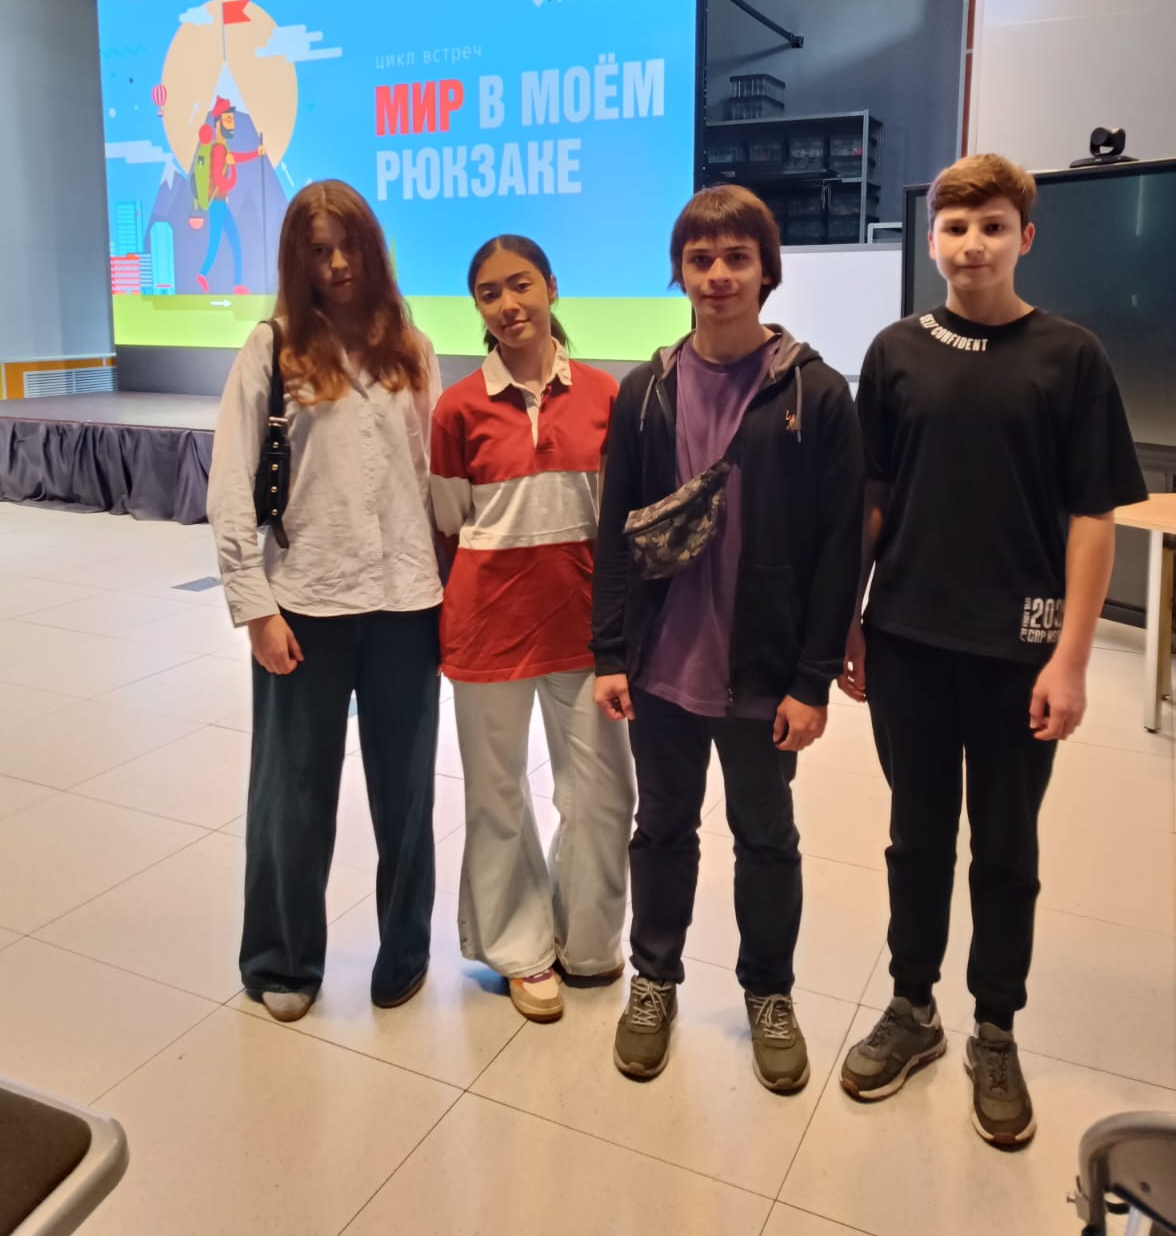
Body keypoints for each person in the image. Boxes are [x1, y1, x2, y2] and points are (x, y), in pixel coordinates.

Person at [838, 153, 1148, 1147]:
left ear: (1025, 237)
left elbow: (1093, 516)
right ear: (933, 239)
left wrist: (1071, 659)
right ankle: (912, 1007)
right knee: (917, 837)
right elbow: (872, 499)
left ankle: (996, 1027)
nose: (973, 245)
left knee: (1007, 847)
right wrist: (847, 618)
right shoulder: (895, 352)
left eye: (993, 227)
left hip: (1020, 649)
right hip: (908, 640)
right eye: (956, 227)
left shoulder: (1071, 356)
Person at [591, 185, 863, 1090]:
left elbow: (838, 550)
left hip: (763, 672)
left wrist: (812, 680)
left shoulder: (816, 393)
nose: (717, 275)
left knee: (766, 836)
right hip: (662, 665)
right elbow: (615, 529)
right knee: (662, 828)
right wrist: (610, 653)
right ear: (680, 272)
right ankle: (653, 980)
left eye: (736, 258)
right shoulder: (644, 394)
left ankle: (769, 993)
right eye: (700, 258)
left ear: (766, 271)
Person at [207, 179, 443, 1023]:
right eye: (318, 251)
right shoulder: (270, 348)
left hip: (407, 600)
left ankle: (405, 949)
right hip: (304, 601)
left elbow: (434, 479)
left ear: (373, 250)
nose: (337, 264)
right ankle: (282, 958)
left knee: (406, 795)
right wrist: (255, 608)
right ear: (297, 261)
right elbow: (229, 488)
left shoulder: (411, 349)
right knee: (292, 792)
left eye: (349, 246)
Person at [430, 235, 634, 1022]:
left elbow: (618, 523)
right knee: (497, 796)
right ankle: (520, 951)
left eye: (521, 285)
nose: (508, 304)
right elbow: (448, 523)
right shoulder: (456, 408)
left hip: (585, 631)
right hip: (486, 630)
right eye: (490, 293)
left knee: (604, 793)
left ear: (551, 286)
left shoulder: (605, 396)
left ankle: (587, 940)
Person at [197, 96, 265, 295]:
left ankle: (232, 283)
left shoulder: (222, 148)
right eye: (228, 120)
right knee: (219, 242)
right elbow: (224, 182)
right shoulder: (218, 150)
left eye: (232, 120)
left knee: (231, 241)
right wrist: (233, 169)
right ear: (218, 124)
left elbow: (236, 157)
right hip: (217, 204)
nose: (232, 124)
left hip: (220, 204)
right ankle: (205, 275)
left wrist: (256, 153)